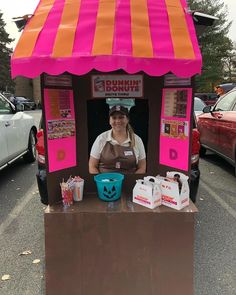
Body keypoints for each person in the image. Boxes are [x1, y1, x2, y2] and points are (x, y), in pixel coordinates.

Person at [89, 105, 146, 174]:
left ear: (127, 119)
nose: (118, 121)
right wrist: (100, 181)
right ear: (109, 121)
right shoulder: (101, 139)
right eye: (114, 118)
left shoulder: (137, 140)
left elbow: (142, 167)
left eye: (121, 117)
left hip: (131, 182)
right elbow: (92, 166)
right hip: (105, 182)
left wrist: (134, 182)